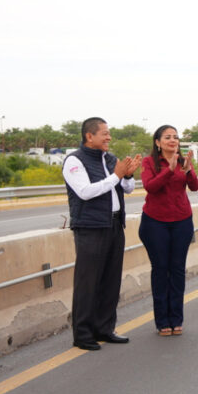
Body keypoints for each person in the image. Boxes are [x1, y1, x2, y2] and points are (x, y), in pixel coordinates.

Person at [62, 117, 141, 350]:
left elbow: (127, 189)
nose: (109, 138)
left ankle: (105, 329)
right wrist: (116, 175)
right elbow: (85, 192)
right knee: (88, 282)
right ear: (89, 136)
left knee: (110, 280)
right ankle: (83, 334)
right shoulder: (74, 161)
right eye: (104, 133)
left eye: (109, 133)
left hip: (115, 225)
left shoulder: (110, 159)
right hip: (90, 227)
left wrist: (127, 176)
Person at [139, 125, 198, 336]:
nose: (173, 140)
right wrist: (169, 170)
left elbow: (194, 187)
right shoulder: (149, 162)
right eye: (167, 137)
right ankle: (162, 321)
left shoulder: (184, 161)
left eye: (175, 137)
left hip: (182, 221)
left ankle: (176, 319)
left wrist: (188, 170)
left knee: (177, 270)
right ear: (157, 142)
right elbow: (150, 187)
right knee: (160, 269)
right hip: (155, 222)